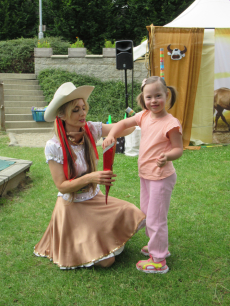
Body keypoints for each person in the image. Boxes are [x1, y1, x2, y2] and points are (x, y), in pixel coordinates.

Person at [33, 82, 146, 269]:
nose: (83, 113)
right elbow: (61, 186)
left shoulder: (90, 129)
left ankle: (100, 234)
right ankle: (88, 237)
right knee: (107, 262)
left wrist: (134, 119)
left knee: (131, 211)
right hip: (73, 205)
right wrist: (91, 178)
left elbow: (126, 129)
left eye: (84, 108)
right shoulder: (54, 146)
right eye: (76, 110)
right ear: (62, 114)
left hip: (94, 198)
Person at [103, 76, 183, 274]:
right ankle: (156, 245)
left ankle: (158, 260)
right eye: (149, 97)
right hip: (146, 176)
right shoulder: (144, 116)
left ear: (167, 95)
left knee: (156, 218)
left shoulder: (171, 123)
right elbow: (122, 123)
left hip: (161, 177)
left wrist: (167, 156)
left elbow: (178, 149)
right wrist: (112, 133)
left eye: (158, 96)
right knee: (148, 215)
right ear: (143, 98)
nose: (153, 101)